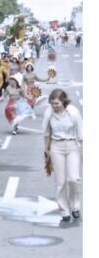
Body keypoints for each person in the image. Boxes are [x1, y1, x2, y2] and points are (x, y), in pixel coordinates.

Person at [43, 89, 83, 223]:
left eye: (56, 103)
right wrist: (46, 150)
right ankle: (64, 210)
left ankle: (75, 206)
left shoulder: (73, 112)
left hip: (72, 146)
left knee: (74, 179)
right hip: (56, 147)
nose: (54, 106)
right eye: (52, 103)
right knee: (61, 181)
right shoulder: (49, 113)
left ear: (64, 101)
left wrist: (82, 151)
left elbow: (80, 133)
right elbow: (47, 133)